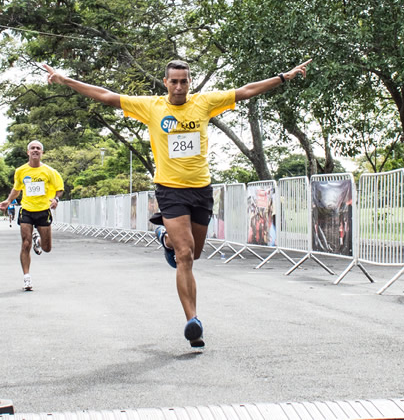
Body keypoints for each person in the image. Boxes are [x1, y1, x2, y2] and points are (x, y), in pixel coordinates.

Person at [44, 57, 310, 347]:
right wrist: (65, 80)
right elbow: (107, 95)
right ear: (166, 82)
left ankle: (165, 237)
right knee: (185, 255)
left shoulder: (205, 103)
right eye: (174, 81)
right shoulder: (151, 106)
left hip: (201, 190)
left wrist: (283, 77)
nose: (179, 87)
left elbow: (246, 90)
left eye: (184, 81)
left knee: (193, 254)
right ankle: (193, 322)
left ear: (190, 82)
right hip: (170, 190)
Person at [0, 140, 64, 291]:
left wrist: (56, 199)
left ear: (42, 153)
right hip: (27, 210)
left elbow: (59, 188)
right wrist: (8, 201)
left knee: (47, 248)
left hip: (43, 210)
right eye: (32, 148)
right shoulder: (20, 171)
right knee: (25, 243)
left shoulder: (50, 171)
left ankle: (38, 241)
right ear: (28, 152)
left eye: (38, 148)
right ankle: (26, 278)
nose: (35, 150)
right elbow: (17, 189)